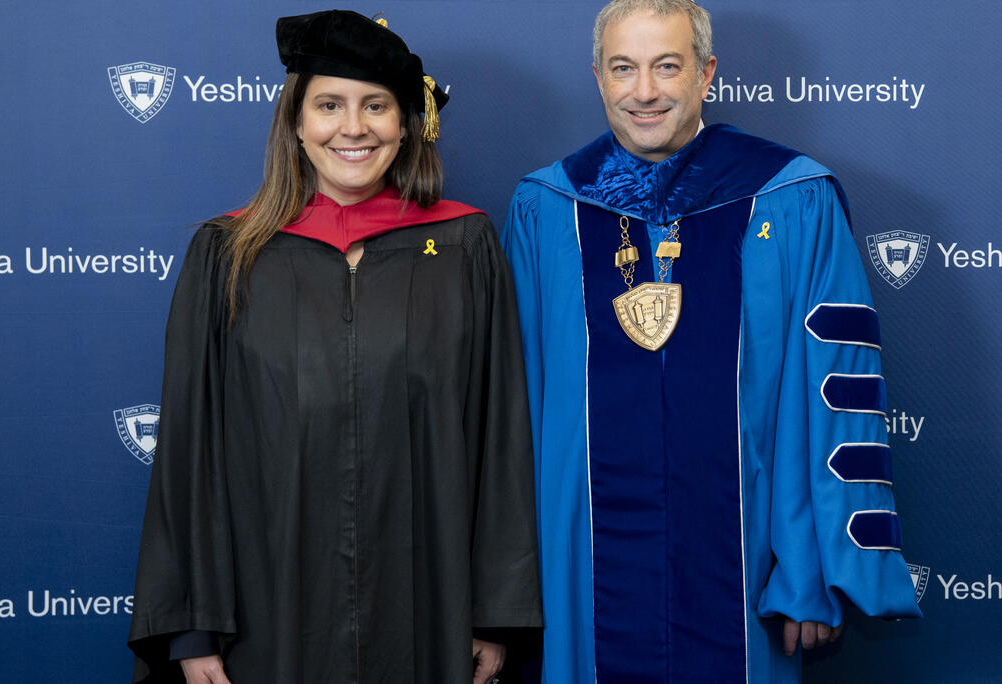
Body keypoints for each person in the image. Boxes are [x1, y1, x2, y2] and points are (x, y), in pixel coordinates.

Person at [501, 0, 921, 681]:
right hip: (582, 568)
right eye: (623, 68)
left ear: (707, 74)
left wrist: (806, 572)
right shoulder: (547, 208)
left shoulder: (792, 199)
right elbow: (515, 415)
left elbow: (831, 398)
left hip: (748, 562)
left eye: (667, 66)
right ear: (598, 77)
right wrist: (508, 595)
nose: (644, 91)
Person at [128, 10, 541, 684]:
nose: (353, 127)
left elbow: (500, 443)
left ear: (406, 123)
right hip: (265, 615)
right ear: (295, 121)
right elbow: (188, 450)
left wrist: (494, 616)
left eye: (375, 106)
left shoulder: (464, 248)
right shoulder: (229, 255)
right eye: (329, 105)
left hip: (427, 609)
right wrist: (193, 629)